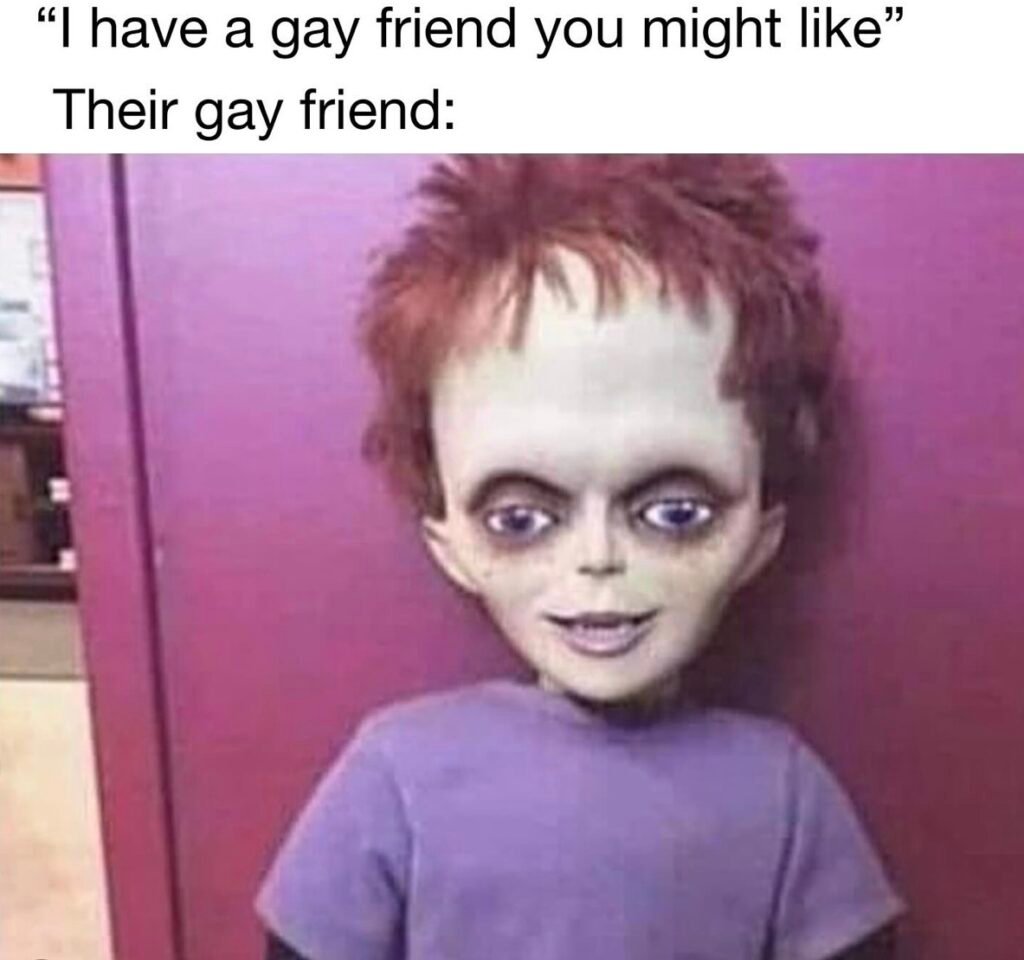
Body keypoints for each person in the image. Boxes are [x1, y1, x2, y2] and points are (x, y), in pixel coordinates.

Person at [256, 155, 904, 960]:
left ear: (759, 535)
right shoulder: (396, 774)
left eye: (674, 512)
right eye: (522, 518)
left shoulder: (782, 794)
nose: (598, 559)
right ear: (449, 542)